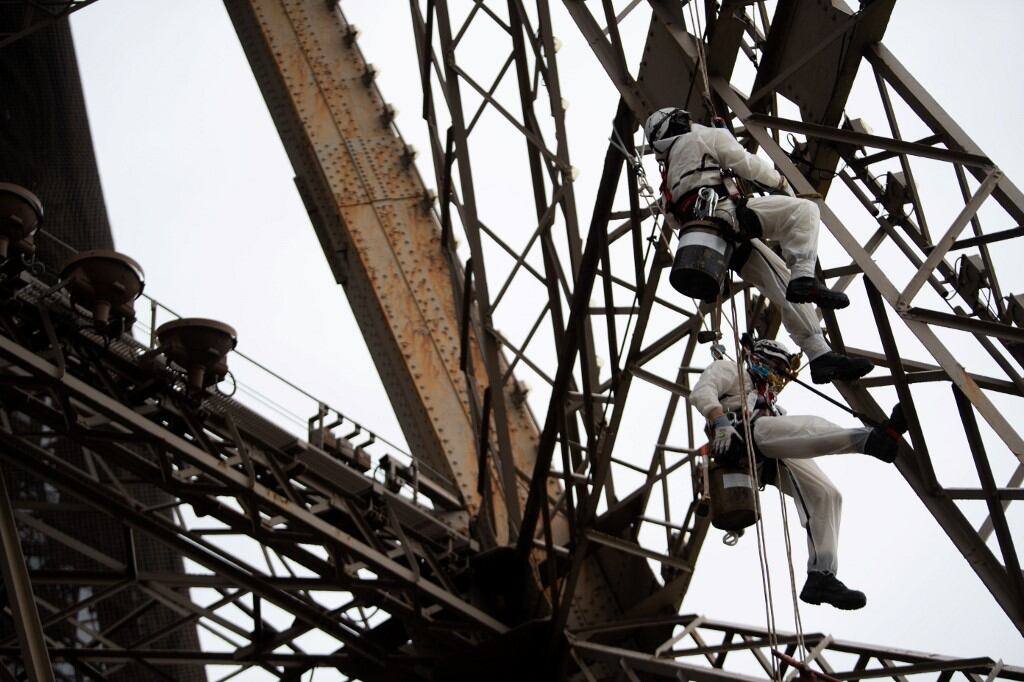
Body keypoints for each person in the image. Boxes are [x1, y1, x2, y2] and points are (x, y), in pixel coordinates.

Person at [645, 107, 872, 384]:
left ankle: (819, 355)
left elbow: (673, 218)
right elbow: (746, 164)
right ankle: (805, 277)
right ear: (679, 123)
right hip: (728, 217)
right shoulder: (702, 138)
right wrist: (780, 183)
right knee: (804, 212)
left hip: (713, 242)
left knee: (780, 281)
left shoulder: (668, 175)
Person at [690, 337, 907, 609]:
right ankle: (872, 440)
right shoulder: (732, 371)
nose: (779, 376)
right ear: (761, 358)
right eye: (778, 367)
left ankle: (821, 575)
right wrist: (719, 420)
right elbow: (701, 392)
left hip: (768, 450)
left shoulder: (771, 402)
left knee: (827, 494)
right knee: (807, 427)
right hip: (743, 438)